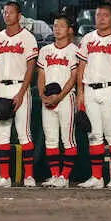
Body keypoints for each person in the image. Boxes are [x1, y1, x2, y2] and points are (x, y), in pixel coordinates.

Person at [76, 3, 111, 189]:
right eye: (98, 15)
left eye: (105, 15)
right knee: (94, 135)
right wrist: (80, 92)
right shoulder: (87, 38)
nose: (101, 18)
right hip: (90, 89)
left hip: (110, 88)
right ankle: (97, 177)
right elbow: (81, 67)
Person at [0, 2, 38, 188]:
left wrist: (23, 92)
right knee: (2, 135)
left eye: (11, 12)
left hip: (19, 87)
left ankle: (29, 176)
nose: (7, 15)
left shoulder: (28, 38)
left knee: (24, 134)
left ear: (19, 15)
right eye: (5, 12)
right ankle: (5, 177)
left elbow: (31, 67)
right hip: (1, 87)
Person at [35, 14, 80, 188]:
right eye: (54, 25)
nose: (56, 28)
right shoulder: (45, 50)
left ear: (69, 30)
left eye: (61, 25)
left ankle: (65, 176)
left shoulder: (74, 51)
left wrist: (59, 97)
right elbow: (41, 75)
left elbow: (74, 77)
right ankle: (55, 175)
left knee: (68, 139)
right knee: (51, 140)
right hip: (48, 100)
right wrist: (42, 95)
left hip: (66, 98)